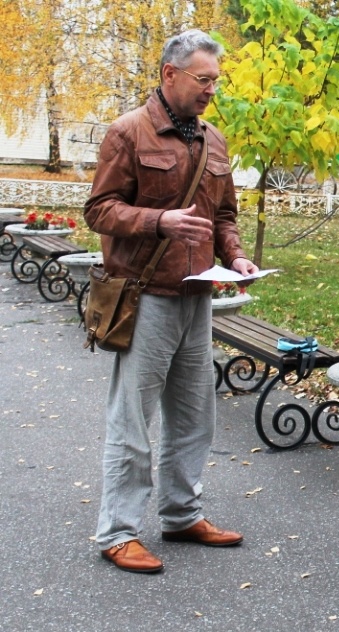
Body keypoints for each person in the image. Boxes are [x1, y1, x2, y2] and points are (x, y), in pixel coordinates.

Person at [84, 29, 259, 574]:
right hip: (145, 297)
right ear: (170, 74)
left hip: (198, 294)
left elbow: (224, 216)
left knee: (194, 417)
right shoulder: (128, 133)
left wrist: (236, 257)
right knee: (132, 420)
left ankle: (182, 514)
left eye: (215, 81)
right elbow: (99, 210)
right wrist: (158, 220)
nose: (211, 89)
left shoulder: (215, 140)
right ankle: (118, 532)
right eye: (203, 79)